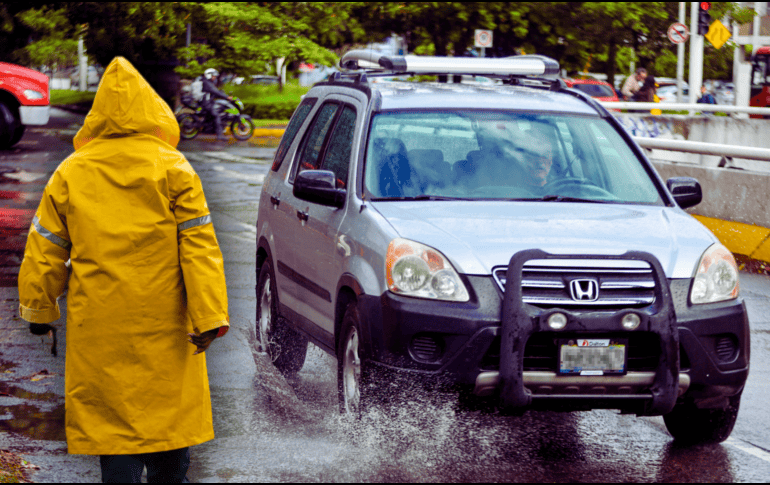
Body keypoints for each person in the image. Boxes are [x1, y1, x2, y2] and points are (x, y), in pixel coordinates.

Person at [17, 57, 229, 483]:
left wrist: (39, 310)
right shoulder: (174, 168)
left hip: (100, 322)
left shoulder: (71, 171)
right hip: (165, 320)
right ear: (152, 110)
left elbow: (46, 247)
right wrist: (210, 317)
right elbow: (199, 247)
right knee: (169, 421)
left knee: (113, 428)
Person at [201, 68, 233, 141]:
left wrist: (223, 94)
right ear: (209, 75)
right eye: (213, 76)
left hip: (208, 102)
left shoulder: (208, 82)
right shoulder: (207, 83)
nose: (215, 77)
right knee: (216, 116)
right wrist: (227, 97)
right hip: (206, 103)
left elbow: (215, 92)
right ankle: (220, 135)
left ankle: (208, 129)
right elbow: (216, 92)